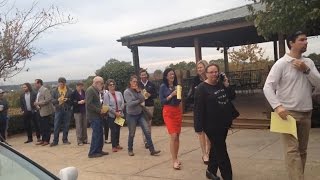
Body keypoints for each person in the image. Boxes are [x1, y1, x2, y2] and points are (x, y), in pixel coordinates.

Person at [263, 31, 320, 180]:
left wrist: (306, 70)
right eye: (302, 40)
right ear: (291, 43)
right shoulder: (281, 63)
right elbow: (267, 87)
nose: (306, 42)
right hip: (287, 114)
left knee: (302, 151)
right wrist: (277, 107)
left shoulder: (308, 63)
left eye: (306, 39)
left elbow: (319, 83)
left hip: (307, 112)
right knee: (292, 151)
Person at [194, 64, 238, 180]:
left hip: (223, 123)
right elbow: (198, 109)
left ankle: (210, 171)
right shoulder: (201, 88)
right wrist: (198, 127)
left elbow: (232, 96)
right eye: (211, 72)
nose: (214, 74)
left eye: (216, 72)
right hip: (211, 125)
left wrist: (227, 85)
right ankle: (227, 177)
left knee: (216, 147)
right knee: (222, 151)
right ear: (206, 74)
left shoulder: (220, 85)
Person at [124, 75, 161, 156]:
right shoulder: (127, 92)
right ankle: (130, 149)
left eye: (136, 82)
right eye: (133, 81)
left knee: (147, 131)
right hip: (131, 115)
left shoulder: (138, 90)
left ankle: (152, 150)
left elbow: (143, 98)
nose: (135, 83)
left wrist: (138, 92)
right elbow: (130, 104)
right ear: (130, 82)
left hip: (140, 113)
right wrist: (139, 100)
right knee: (132, 133)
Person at [159, 68, 182, 170]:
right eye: (170, 74)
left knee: (177, 136)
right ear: (166, 76)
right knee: (173, 135)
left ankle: (176, 158)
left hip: (177, 111)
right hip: (168, 112)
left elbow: (178, 101)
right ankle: (174, 161)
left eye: (173, 74)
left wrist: (178, 95)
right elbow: (162, 101)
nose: (172, 76)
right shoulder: (163, 87)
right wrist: (171, 95)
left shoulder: (177, 87)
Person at [191, 60, 211, 164]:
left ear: (205, 67)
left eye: (201, 67)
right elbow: (193, 94)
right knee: (201, 132)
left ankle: (209, 152)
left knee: (209, 132)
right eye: (198, 68)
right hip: (199, 109)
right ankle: (204, 154)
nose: (199, 69)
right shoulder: (195, 80)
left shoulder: (210, 78)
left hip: (210, 109)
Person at [86, 76, 109, 158]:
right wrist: (99, 110)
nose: (102, 85)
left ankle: (98, 150)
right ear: (96, 82)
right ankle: (92, 152)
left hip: (97, 115)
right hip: (93, 116)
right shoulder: (90, 90)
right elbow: (88, 104)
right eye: (101, 83)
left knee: (99, 133)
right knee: (96, 134)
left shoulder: (95, 90)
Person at [103, 79, 125, 152]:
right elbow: (107, 106)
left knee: (118, 130)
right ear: (108, 86)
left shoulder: (119, 93)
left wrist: (120, 111)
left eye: (113, 85)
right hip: (111, 115)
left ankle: (117, 144)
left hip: (119, 114)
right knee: (113, 130)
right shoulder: (106, 94)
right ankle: (114, 146)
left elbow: (122, 103)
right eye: (110, 85)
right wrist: (115, 113)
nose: (112, 86)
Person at [51, 77, 73, 147]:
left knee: (66, 125)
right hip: (58, 110)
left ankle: (65, 139)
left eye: (62, 83)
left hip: (67, 110)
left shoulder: (70, 90)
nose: (61, 85)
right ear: (58, 83)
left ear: (65, 83)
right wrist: (58, 100)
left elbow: (72, 100)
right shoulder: (54, 91)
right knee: (56, 126)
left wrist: (68, 99)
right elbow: (52, 100)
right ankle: (55, 141)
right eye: (60, 83)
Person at [138, 69, 157, 149]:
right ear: (140, 76)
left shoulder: (151, 84)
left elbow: (156, 95)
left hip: (149, 105)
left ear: (147, 75)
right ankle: (146, 142)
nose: (143, 76)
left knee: (149, 124)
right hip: (141, 106)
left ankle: (148, 140)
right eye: (142, 75)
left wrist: (150, 95)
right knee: (143, 124)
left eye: (144, 74)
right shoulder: (138, 85)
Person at [34, 79, 54, 146]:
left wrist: (38, 103)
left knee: (46, 126)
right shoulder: (39, 91)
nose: (34, 85)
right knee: (42, 126)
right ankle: (43, 140)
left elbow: (48, 99)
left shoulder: (45, 90)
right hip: (40, 111)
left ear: (39, 83)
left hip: (45, 111)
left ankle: (46, 140)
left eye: (35, 83)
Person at [71, 81, 88, 146]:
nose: (80, 87)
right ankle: (79, 140)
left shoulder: (84, 92)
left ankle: (85, 139)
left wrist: (85, 101)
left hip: (84, 110)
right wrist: (78, 102)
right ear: (76, 86)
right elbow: (71, 102)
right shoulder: (73, 93)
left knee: (84, 125)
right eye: (79, 86)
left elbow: (87, 98)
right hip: (77, 112)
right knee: (79, 126)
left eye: (81, 86)